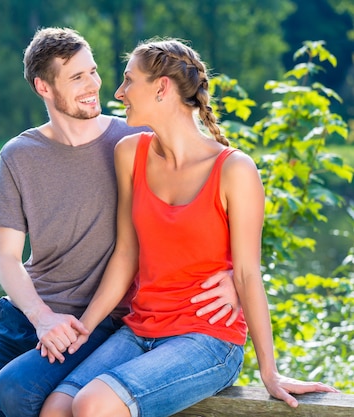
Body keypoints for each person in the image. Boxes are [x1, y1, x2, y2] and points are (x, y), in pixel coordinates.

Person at [39, 38, 339, 417]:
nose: (118, 92)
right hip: (141, 330)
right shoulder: (130, 154)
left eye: (129, 81)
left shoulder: (235, 170)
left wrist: (270, 370)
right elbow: (126, 254)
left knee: (92, 405)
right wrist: (83, 328)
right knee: (55, 407)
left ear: (162, 87)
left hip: (209, 340)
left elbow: (247, 274)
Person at [0, 28, 241, 417]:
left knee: (18, 390)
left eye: (93, 71)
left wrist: (233, 275)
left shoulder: (135, 139)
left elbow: (211, 190)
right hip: (24, 317)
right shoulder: (18, 156)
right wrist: (41, 319)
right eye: (77, 77)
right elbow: (7, 258)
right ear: (43, 87)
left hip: (96, 322)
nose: (94, 84)